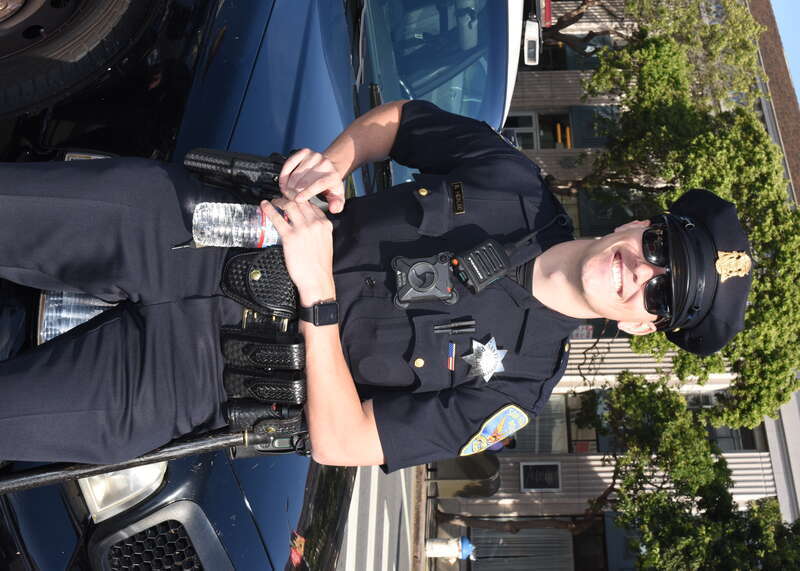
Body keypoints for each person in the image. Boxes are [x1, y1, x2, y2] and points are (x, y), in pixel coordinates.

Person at [0, 100, 752, 471]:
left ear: (643, 325)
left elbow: (342, 442)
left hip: (188, 376)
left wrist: (318, 301)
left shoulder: (515, 394)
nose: (641, 272)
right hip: (201, 230)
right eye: (659, 248)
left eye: (662, 296)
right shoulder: (512, 179)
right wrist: (335, 163)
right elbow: (398, 123)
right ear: (639, 224)